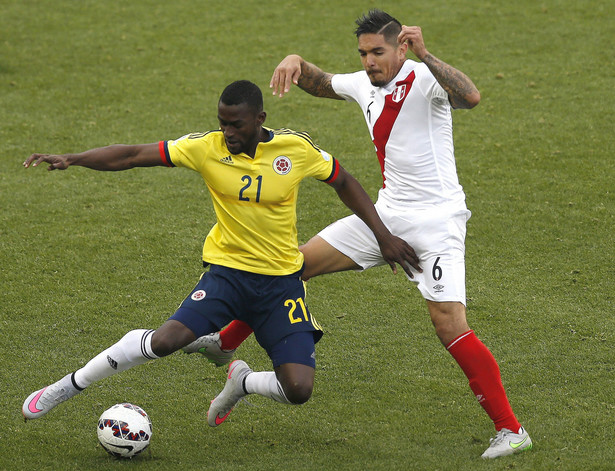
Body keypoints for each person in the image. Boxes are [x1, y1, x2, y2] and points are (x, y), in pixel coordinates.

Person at [184, 11, 532, 459]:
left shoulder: (425, 79)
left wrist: (428, 56)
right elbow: (323, 82)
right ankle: (225, 343)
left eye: (378, 52)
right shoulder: (365, 83)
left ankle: (511, 429)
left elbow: (471, 96)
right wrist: (297, 61)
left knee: (448, 323)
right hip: (385, 216)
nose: (369, 62)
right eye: (364, 53)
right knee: (294, 264)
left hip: (437, 223)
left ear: (402, 48)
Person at [21, 80, 421, 428]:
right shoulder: (205, 148)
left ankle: (241, 383)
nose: (227, 131)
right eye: (222, 122)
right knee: (165, 341)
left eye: (236, 124)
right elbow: (131, 155)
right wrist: (74, 158)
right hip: (227, 275)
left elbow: (344, 180)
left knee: (298, 389)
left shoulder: (294, 150)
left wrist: (382, 236)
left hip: (282, 284)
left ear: (260, 118)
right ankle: (68, 386)